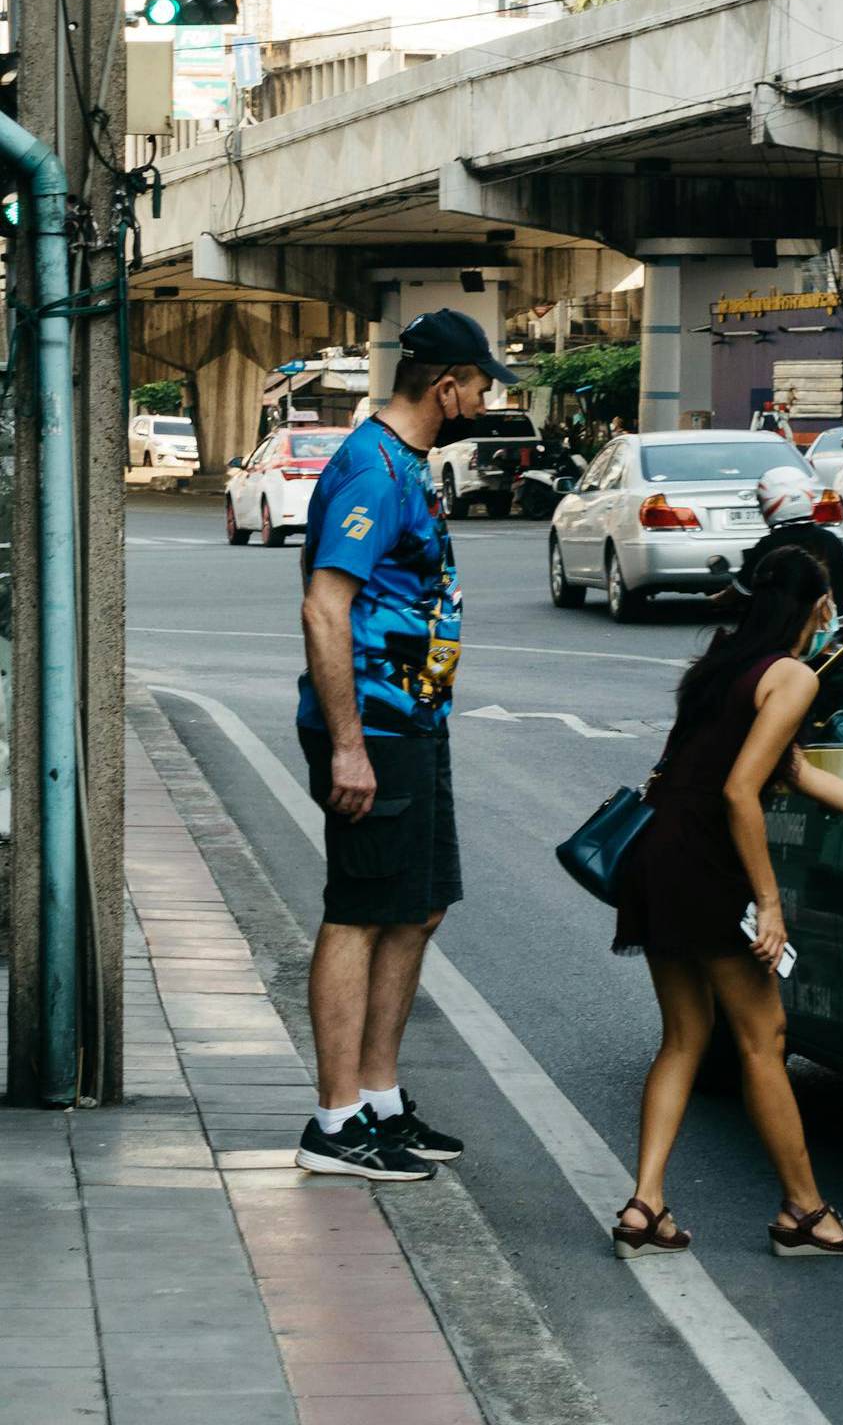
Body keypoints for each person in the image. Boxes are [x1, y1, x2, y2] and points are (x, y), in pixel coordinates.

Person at [610, 546, 843, 1257]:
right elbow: (743, 789)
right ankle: (804, 1211)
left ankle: (645, 1205)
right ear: (821, 604)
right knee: (762, 1038)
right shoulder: (793, 676)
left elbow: (792, 770)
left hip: (658, 857)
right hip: (708, 863)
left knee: (684, 1038)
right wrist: (768, 905)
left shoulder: (724, 665)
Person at [291, 308, 515, 1181]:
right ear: (447, 384)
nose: (485, 397)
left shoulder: (406, 466)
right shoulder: (375, 472)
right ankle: (334, 1121)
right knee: (359, 909)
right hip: (374, 729)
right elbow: (325, 605)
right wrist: (348, 745)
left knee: (419, 905)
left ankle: (378, 1101)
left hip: (415, 723)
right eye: (481, 383)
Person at [712, 465, 843, 640]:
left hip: (785, 633)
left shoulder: (769, 545)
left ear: (768, 502)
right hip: (834, 629)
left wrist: (720, 599)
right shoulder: (830, 539)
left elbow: (744, 589)